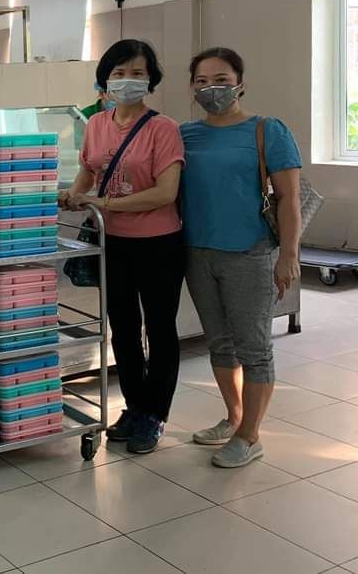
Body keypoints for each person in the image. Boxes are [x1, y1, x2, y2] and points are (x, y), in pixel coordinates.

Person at [59, 39, 184, 455]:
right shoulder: (97, 123)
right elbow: (89, 171)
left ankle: (155, 414)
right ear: (105, 79)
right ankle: (134, 407)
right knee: (124, 329)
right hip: (113, 244)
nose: (127, 80)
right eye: (118, 72)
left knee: (160, 329)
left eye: (137, 73)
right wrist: (74, 195)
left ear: (151, 79)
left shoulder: (163, 128)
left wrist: (104, 203)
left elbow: (166, 193)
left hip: (159, 244)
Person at [181, 47, 302, 468]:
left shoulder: (267, 130)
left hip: (250, 253)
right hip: (197, 253)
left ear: (240, 84)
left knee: (253, 346)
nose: (211, 89)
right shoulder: (185, 135)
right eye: (202, 81)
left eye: (221, 80)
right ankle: (234, 418)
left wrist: (288, 255)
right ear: (191, 87)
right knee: (219, 342)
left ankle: (251, 436)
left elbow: (288, 199)